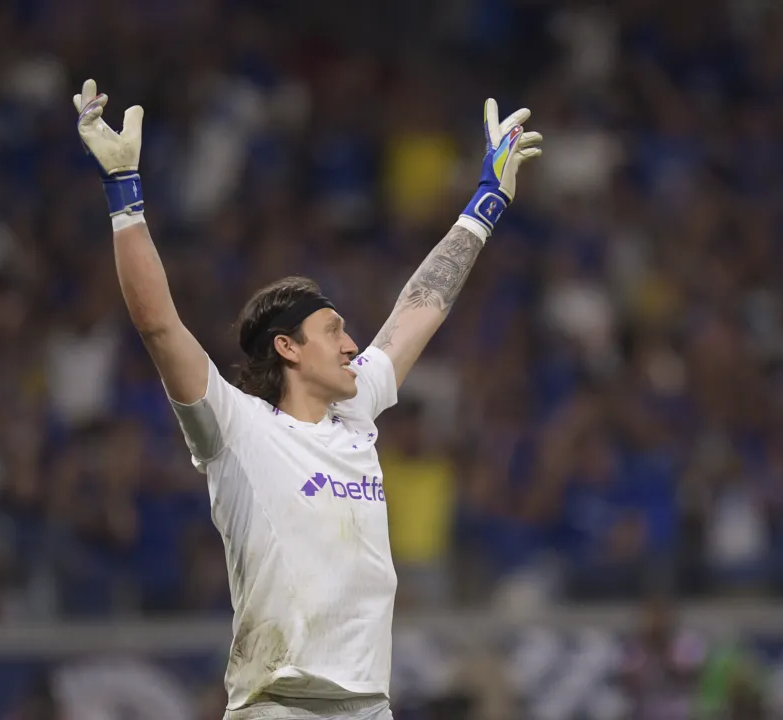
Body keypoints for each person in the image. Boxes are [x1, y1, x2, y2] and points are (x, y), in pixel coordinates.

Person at [72, 79, 541, 720]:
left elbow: (420, 307)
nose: (354, 345)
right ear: (289, 349)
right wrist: (125, 194)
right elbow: (158, 325)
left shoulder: (356, 413)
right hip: (279, 708)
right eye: (334, 332)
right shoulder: (236, 428)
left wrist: (483, 205)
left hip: (369, 708)